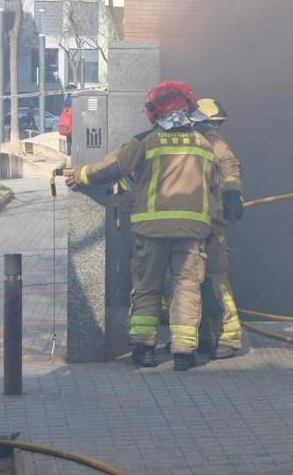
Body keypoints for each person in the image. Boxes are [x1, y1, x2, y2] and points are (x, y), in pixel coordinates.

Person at [66, 80, 219, 372]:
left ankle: (145, 349)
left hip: (152, 232)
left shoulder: (146, 142)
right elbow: (213, 188)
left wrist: (81, 175)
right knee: (186, 289)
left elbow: (113, 169)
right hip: (191, 232)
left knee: (147, 288)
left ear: (153, 112)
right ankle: (184, 352)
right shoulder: (204, 145)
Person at [194, 97, 247, 359]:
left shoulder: (213, 143)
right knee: (194, 284)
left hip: (211, 226)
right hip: (193, 224)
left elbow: (229, 165)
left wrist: (232, 193)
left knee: (217, 281)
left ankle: (230, 337)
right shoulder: (197, 142)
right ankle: (204, 338)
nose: (215, 129)